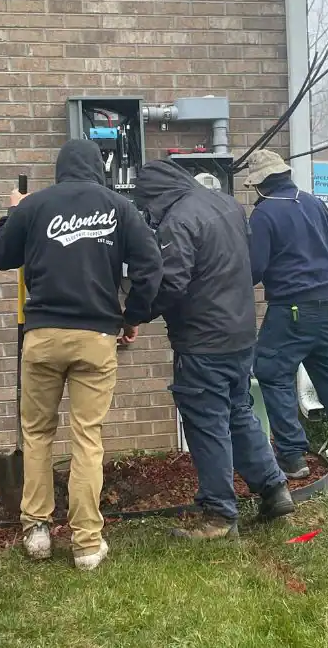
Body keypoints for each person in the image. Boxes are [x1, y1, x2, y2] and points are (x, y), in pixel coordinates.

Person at [0, 139, 162, 570]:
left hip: (43, 335)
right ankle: (87, 545)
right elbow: (151, 266)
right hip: (96, 337)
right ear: (98, 170)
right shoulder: (120, 208)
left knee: (38, 433)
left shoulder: (35, 207)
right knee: (87, 438)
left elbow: (1, 257)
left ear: (60, 170)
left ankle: (37, 532)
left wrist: (15, 210)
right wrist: (132, 315)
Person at [132, 159, 295, 540]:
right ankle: (274, 489)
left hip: (203, 341)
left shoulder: (178, 221)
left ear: (156, 195)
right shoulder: (225, 204)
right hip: (240, 334)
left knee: (207, 423)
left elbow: (171, 284)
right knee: (239, 413)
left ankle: (219, 517)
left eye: (147, 204)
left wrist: (133, 313)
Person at [244, 149, 328, 478]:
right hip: (327, 305)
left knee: (272, 372)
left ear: (260, 184)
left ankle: (292, 457)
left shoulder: (264, 214)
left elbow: (254, 269)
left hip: (290, 308)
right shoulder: (313, 203)